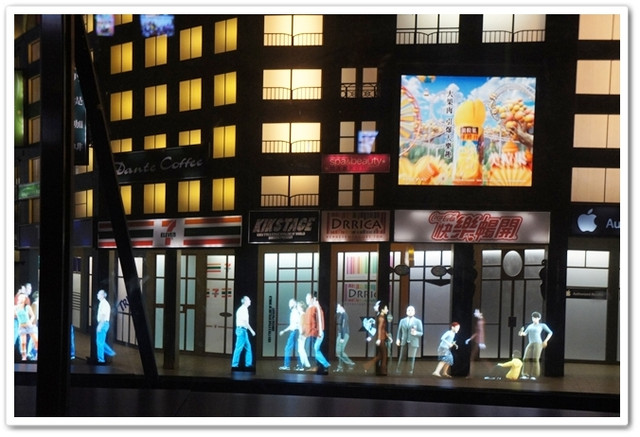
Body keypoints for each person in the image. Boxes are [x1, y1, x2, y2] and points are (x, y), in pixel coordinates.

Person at [518, 311, 553, 380]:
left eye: (536, 318)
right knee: (525, 358)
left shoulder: (542, 325)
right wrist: (521, 333)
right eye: (533, 318)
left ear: (539, 318)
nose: (534, 319)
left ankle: (534, 375)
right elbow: (525, 333)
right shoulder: (530, 326)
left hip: (538, 343)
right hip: (531, 343)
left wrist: (545, 341)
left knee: (535, 359)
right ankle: (525, 374)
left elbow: (550, 332)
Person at [302, 292, 330, 372]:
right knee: (314, 349)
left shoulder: (316, 308)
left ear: (312, 299)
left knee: (315, 349)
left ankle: (325, 364)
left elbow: (319, 320)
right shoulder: (310, 308)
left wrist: (320, 331)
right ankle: (322, 365)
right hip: (311, 333)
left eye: (308, 298)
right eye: (306, 298)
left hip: (316, 333)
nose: (306, 300)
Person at [364, 300, 392, 376]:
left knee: (380, 356)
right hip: (381, 339)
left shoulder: (381, 317)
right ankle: (383, 370)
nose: (387, 310)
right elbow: (379, 329)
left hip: (381, 338)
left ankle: (367, 365)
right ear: (382, 309)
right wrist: (379, 339)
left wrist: (388, 337)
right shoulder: (381, 318)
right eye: (386, 309)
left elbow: (383, 330)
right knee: (384, 355)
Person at [395, 305, 423, 375]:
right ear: (406, 312)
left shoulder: (418, 321)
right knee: (402, 356)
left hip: (413, 341)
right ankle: (399, 370)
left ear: (414, 312)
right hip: (404, 340)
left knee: (412, 357)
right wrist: (398, 339)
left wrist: (416, 333)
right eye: (409, 310)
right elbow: (399, 331)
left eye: (412, 310)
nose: (410, 312)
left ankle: (410, 370)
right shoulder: (402, 321)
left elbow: (421, 333)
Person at [231, 296, 256, 369]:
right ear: (245, 301)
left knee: (248, 347)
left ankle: (248, 364)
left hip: (243, 331)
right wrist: (251, 330)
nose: (250, 301)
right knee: (239, 348)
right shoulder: (243, 309)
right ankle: (234, 365)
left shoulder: (243, 309)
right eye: (249, 300)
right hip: (241, 331)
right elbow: (245, 322)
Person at [279, 298, 302, 371]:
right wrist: (284, 331)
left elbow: (294, 325)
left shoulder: (295, 313)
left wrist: (284, 331)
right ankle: (300, 366)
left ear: (294, 304)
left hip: (294, 332)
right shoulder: (294, 312)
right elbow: (292, 325)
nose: (289, 304)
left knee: (287, 348)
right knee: (298, 349)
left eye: (290, 303)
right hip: (295, 332)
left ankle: (287, 365)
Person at [15, 292, 38, 361]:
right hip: (21, 326)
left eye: (23, 297)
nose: (22, 299)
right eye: (20, 297)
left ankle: (37, 354)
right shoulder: (16, 308)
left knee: (36, 341)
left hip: (29, 326)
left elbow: (33, 316)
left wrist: (30, 322)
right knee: (23, 343)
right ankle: (24, 357)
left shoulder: (27, 307)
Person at [96, 289, 116, 364]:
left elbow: (103, 316)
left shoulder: (104, 304)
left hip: (103, 323)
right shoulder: (102, 303)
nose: (97, 294)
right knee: (100, 341)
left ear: (103, 295)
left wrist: (100, 325)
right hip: (104, 323)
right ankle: (110, 352)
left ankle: (101, 359)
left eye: (99, 293)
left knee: (100, 343)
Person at [465, 308, 487, 377]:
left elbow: (481, 331)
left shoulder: (480, 322)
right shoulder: (479, 321)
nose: (475, 314)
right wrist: (469, 339)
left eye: (476, 312)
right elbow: (477, 332)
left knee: (472, 358)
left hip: (479, 342)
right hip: (478, 341)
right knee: (474, 357)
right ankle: (470, 373)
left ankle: (470, 374)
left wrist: (481, 342)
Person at [334, 303, 356, 372]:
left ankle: (350, 363)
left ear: (341, 307)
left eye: (337, 307)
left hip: (343, 334)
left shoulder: (344, 315)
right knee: (340, 352)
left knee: (339, 351)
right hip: (341, 334)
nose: (336, 309)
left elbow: (344, 326)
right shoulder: (342, 315)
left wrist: (342, 337)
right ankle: (340, 367)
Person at [296, 300, 312, 371]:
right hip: (304, 334)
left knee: (300, 350)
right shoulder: (304, 315)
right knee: (302, 350)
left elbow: (303, 327)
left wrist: (301, 335)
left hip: (302, 334)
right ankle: (307, 364)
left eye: (298, 306)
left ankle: (301, 365)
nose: (297, 308)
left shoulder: (302, 315)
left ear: (301, 307)